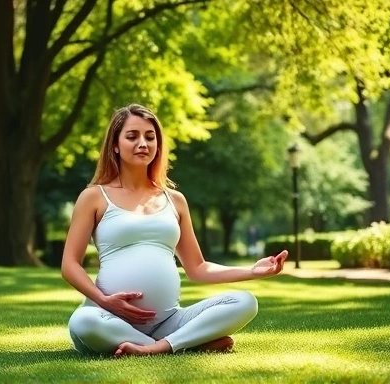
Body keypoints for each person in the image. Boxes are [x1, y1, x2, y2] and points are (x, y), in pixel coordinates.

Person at [61, 103, 288, 357]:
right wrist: (104, 301)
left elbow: (198, 268)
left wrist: (252, 271)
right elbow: (70, 264)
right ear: (115, 144)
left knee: (245, 302)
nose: (142, 143)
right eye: (132, 136)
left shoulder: (175, 200)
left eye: (150, 137)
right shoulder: (94, 196)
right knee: (83, 322)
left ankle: (158, 347)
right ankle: (188, 343)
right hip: (108, 318)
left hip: (168, 321)